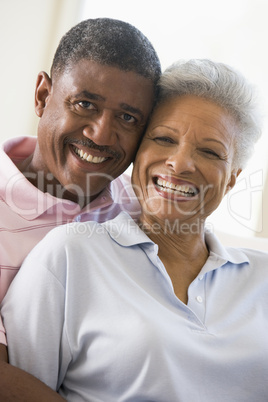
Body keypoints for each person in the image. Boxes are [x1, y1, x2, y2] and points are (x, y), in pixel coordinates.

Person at [2, 58, 267, 401]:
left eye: (210, 152)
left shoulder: (261, 277)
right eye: (164, 139)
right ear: (137, 153)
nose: (181, 163)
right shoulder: (68, 255)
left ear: (232, 178)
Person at [0, 17, 160, 401]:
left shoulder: (143, 208)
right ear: (42, 96)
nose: (101, 134)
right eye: (85, 104)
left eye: (127, 117)